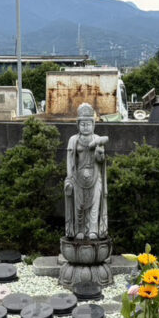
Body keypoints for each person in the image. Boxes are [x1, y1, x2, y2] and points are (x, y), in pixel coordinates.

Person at [64, 103, 109, 240]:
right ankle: (79, 229)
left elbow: (100, 161)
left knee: (94, 206)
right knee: (79, 206)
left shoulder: (96, 139)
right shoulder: (73, 140)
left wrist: (100, 153)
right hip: (78, 177)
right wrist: (70, 178)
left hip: (95, 176)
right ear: (78, 125)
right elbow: (70, 161)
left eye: (88, 124)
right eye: (83, 124)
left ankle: (93, 230)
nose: (85, 127)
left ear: (93, 125)